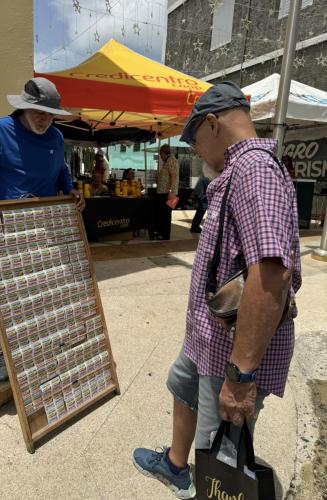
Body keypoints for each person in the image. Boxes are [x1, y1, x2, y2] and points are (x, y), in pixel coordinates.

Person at [132, 81, 301, 498]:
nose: (195, 152)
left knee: (217, 456)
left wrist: (240, 377)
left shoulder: (254, 171)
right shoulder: (241, 170)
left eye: (193, 141)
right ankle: (175, 465)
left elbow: (271, 275)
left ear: (212, 124)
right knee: (181, 383)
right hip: (207, 340)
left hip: (230, 356)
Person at [0, 77, 85, 383]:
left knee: (44, 289)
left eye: (49, 113)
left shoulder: (56, 138)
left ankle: (41, 344)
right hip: (7, 230)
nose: (44, 119)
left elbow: (62, 173)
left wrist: (71, 191)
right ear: (23, 108)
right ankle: (5, 349)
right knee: (9, 294)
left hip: (46, 228)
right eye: (37, 112)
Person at [150, 144, 179, 240]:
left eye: (160, 154)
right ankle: (162, 233)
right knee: (163, 214)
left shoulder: (171, 160)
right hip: (166, 193)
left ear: (163, 153)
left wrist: (170, 191)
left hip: (169, 193)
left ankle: (165, 235)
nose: (160, 157)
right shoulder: (168, 161)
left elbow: (173, 176)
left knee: (165, 215)